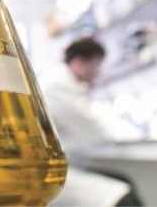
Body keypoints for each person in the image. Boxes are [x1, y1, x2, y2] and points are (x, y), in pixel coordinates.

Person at [41, 37, 142, 207]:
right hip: (50, 176)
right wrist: (133, 132)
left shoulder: (63, 83)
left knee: (122, 180)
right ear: (79, 63)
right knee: (123, 199)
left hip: (66, 169)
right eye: (95, 66)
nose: (97, 73)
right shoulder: (57, 86)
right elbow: (95, 128)